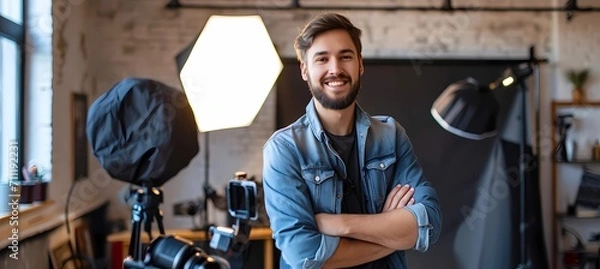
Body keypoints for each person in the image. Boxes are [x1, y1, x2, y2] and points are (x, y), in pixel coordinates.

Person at [262, 12, 442, 269]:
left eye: (345, 57)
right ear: (305, 70)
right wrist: (393, 233)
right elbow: (303, 255)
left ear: (360, 64)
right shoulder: (284, 149)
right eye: (322, 59)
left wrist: (340, 224)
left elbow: (430, 221)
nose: (335, 68)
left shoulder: (391, 135)